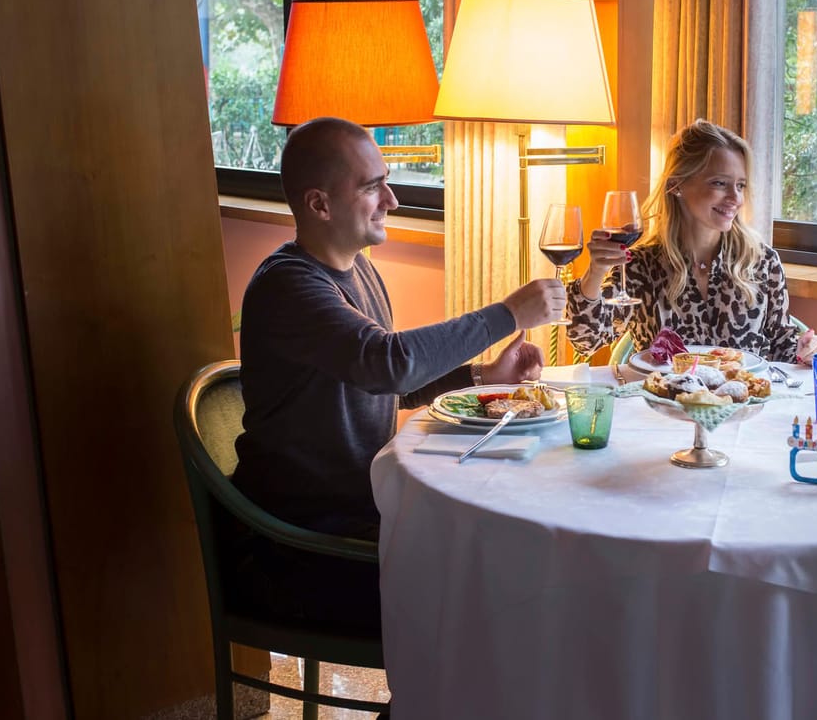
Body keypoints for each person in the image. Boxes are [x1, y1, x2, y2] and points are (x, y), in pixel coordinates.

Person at [229, 116, 566, 631]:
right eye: (372, 187)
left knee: (511, 560)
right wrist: (507, 314)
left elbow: (387, 380)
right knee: (498, 596)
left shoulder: (358, 268)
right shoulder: (289, 287)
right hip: (303, 544)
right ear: (320, 204)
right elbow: (386, 363)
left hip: (363, 513)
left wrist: (482, 377)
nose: (392, 199)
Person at [565, 119, 817, 363]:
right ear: (677, 185)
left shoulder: (762, 262)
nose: (735, 198)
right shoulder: (641, 265)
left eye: (740, 185)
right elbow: (585, 340)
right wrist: (596, 271)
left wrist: (807, 350)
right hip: (661, 409)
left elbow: (781, 346)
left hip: (742, 409)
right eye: (719, 183)